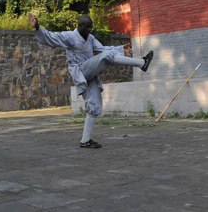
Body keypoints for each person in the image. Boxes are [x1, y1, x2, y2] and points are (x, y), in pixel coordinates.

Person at [29, 13, 153, 148]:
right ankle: (142, 63)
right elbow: (51, 37)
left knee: (94, 107)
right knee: (107, 56)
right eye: (87, 28)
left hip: (90, 72)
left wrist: (120, 49)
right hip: (81, 71)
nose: (89, 31)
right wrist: (37, 27)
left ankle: (85, 140)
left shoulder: (91, 38)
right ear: (79, 26)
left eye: (90, 28)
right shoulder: (70, 37)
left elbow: (102, 49)